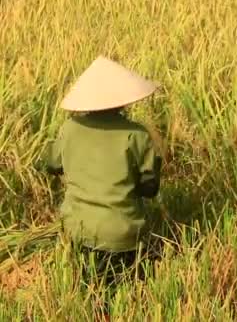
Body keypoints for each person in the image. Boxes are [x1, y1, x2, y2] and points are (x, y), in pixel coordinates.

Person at [41, 56, 163, 314]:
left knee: (89, 291)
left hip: (79, 231)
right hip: (124, 235)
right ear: (123, 99)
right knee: (124, 295)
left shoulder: (70, 128)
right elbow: (150, 188)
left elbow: (51, 165)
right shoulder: (137, 134)